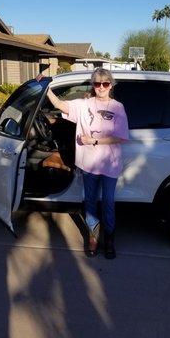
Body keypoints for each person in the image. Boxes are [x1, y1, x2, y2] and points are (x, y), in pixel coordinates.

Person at [46, 68, 129, 259]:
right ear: (93, 85)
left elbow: (122, 137)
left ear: (111, 85)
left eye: (105, 83)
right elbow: (60, 105)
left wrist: (95, 141)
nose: (101, 87)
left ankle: (109, 240)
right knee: (90, 202)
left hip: (110, 164)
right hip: (88, 164)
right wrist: (46, 87)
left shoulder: (117, 107)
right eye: (97, 83)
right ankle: (93, 237)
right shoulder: (83, 105)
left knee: (108, 202)